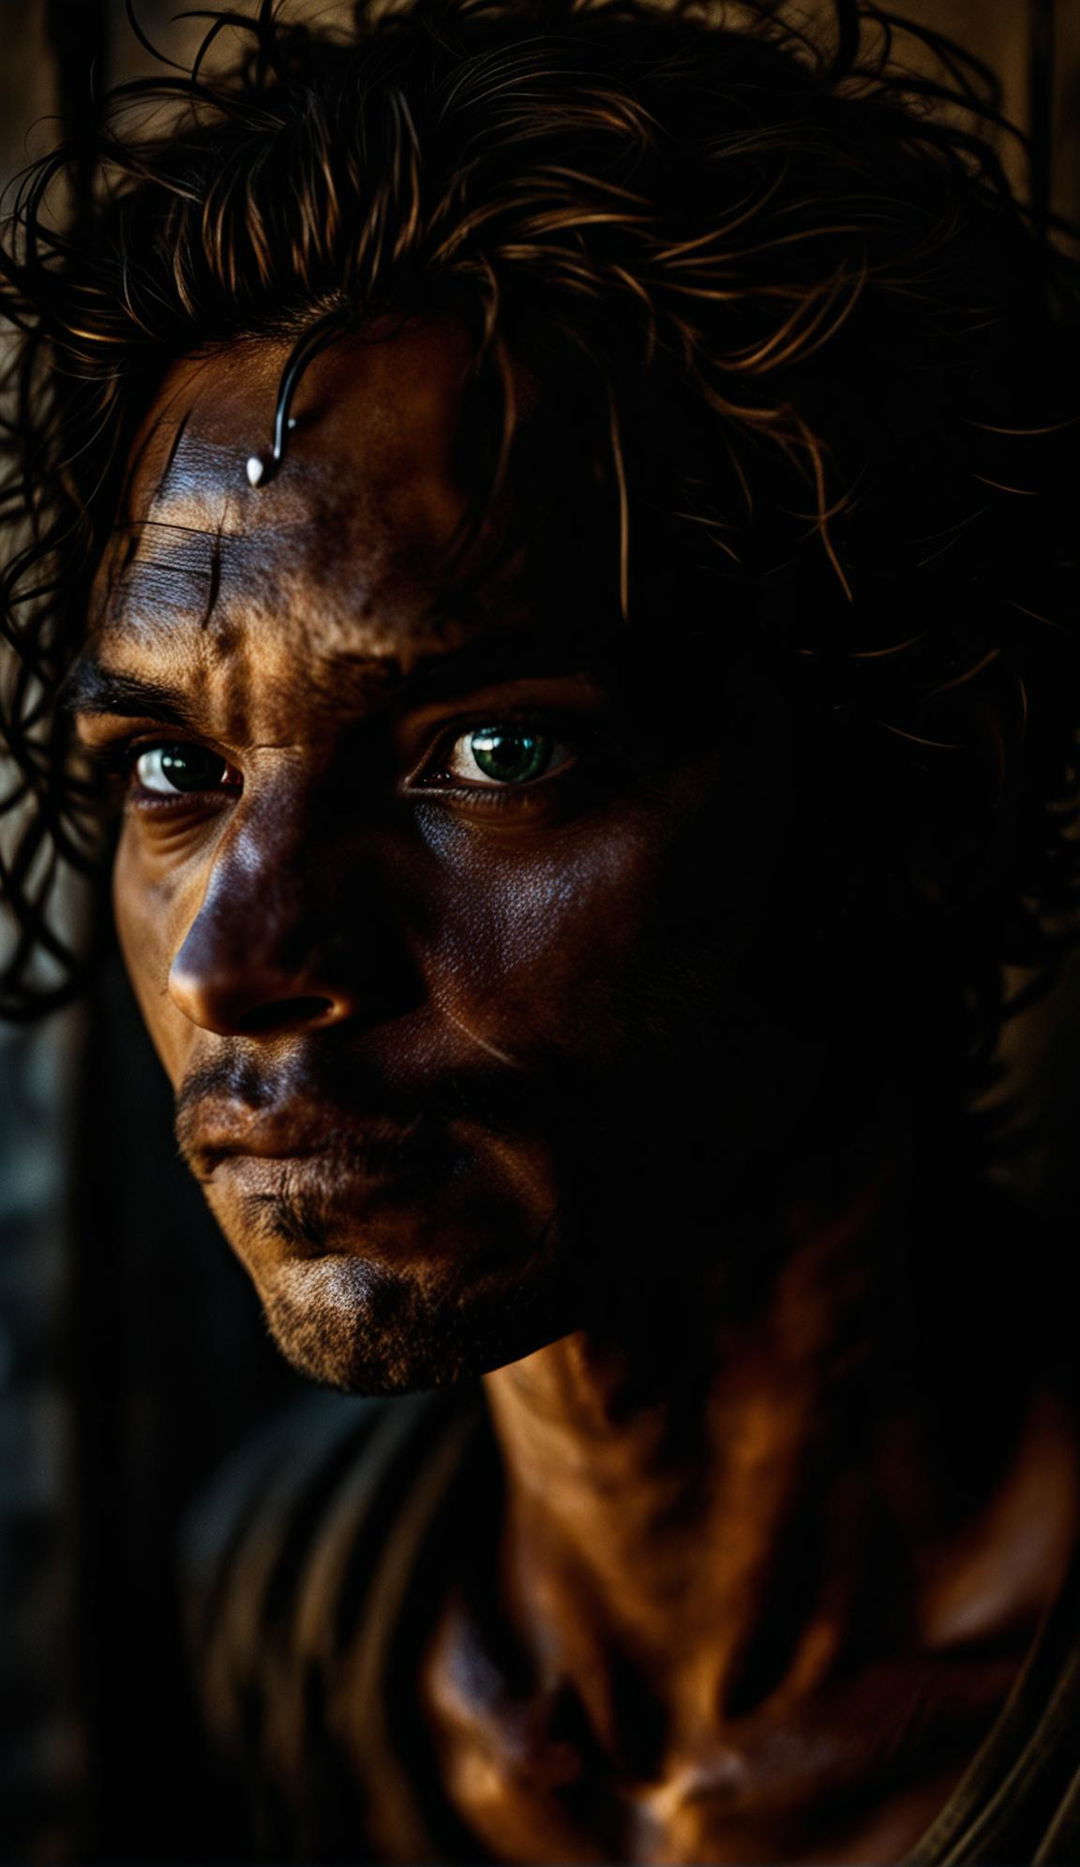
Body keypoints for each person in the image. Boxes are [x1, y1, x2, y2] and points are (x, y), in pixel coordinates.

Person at [2, 0, 1080, 1858]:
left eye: (495, 749)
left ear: (923, 786)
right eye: (175, 767)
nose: (231, 961)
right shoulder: (294, 1619)